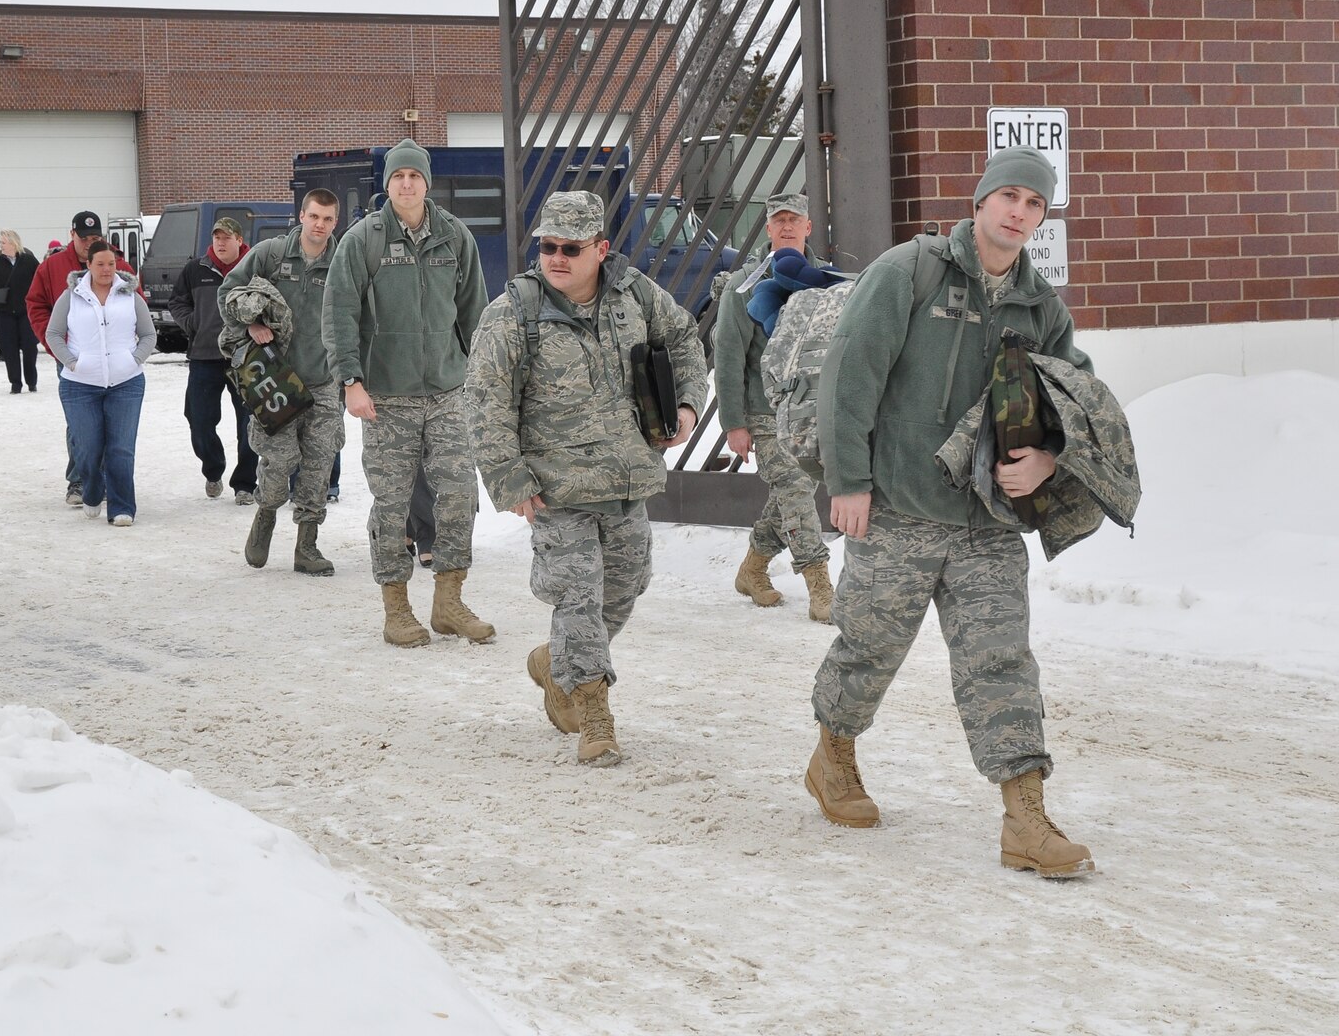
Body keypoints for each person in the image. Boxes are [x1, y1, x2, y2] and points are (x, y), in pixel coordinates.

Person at [807, 147, 1097, 877]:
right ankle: (832, 756)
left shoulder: (1041, 308)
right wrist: (848, 479)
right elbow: (851, 370)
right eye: (1008, 196)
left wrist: (1050, 459)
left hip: (989, 523)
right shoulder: (912, 271)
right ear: (981, 201)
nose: (1018, 212)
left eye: (1034, 204)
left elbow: (1079, 399)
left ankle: (1024, 818)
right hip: (900, 507)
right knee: (868, 650)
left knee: (1001, 664)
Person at [466, 191, 706, 765]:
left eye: (570, 248)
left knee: (623, 589)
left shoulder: (635, 295)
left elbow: (684, 338)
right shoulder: (513, 313)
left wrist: (689, 406)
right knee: (579, 595)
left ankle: (558, 663)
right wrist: (510, 478)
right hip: (556, 487)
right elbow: (485, 402)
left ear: (601, 249)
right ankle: (594, 716)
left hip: (626, 479)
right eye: (547, 246)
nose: (556, 258)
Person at [323, 139, 493, 647]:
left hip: (448, 392)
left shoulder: (454, 237)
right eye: (398, 176)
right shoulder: (363, 240)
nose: (406, 184)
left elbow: (475, 313)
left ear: (426, 182)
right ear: (388, 183)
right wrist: (351, 382)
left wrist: (479, 378)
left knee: (459, 494)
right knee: (392, 503)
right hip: (386, 397)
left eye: (414, 176)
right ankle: (396, 607)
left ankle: (449, 601)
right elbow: (338, 315)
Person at [713, 191, 836, 619]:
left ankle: (752, 570)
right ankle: (820, 585)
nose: (787, 227)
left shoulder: (827, 281)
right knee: (796, 488)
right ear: (767, 229)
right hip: (764, 412)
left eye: (794, 220)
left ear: (808, 227)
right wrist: (734, 423)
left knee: (790, 491)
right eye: (778, 220)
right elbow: (728, 357)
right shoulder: (744, 285)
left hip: (812, 411)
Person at [221, 190, 340, 574]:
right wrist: (251, 323)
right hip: (277, 380)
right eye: (314, 216)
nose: (320, 224)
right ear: (301, 216)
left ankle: (307, 545)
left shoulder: (342, 261)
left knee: (320, 465)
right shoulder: (271, 254)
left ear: (334, 223)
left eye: (327, 219)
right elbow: (228, 293)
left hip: (324, 382)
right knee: (282, 459)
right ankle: (266, 514)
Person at [45, 239, 156, 525]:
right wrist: (72, 362)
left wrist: (134, 360)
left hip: (126, 383)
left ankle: (122, 507)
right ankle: (93, 490)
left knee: (121, 448)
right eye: (100, 264)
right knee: (87, 446)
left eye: (111, 264)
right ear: (88, 266)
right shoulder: (71, 296)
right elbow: (53, 334)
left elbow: (148, 335)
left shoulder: (130, 296)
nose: (107, 270)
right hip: (79, 385)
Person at [29, 211, 135, 505]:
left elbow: (135, 305)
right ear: (71, 235)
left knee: (113, 423)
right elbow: (36, 305)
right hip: (72, 358)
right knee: (80, 423)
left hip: (115, 360)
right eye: (84, 238)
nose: (89, 243)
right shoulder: (51, 267)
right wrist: (56, 345)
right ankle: (79, 480)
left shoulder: (117, 265)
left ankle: (110, 481)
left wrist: (131, 350)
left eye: (95, 238)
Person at [171, 217, 259, 502]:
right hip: (204, 356)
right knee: (198, 419)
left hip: (246, 357)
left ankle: (245, 483)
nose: (220, 242)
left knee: (250, 423)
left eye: (227, 237)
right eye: (216, 237)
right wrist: (192, 323)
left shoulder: (254, 268)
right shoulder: (195, 269)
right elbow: (177, 301)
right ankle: (213, 469)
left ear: (239, 241)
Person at [0, 230, 40, 393]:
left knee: (29, 347)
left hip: (26, 311)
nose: (1, 246)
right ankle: (15, 383)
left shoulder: (28, 260)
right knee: (9, 349)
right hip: (4, 313)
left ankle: (31, 380)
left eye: (3, 243)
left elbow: (39, 281)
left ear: (13, 243)